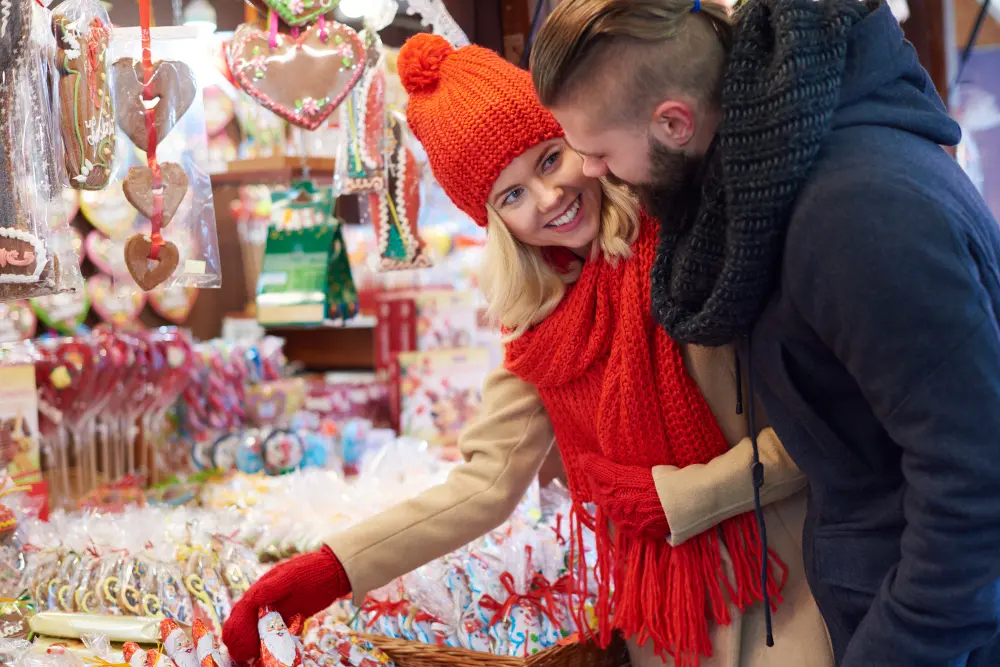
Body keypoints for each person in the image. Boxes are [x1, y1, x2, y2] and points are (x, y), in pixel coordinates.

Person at [222, 33, 833, 667]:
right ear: (494, 223)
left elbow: (825, 425)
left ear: (578, 139)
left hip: (787, 592)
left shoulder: (695, 245)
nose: (548, 200)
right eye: (510, 195)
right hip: (667, 630)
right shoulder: (544, 325)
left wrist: (677, 499)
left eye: (547, 159)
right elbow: (484, 484)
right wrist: (327, 572)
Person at [529, 1, 1000, 666]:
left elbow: (975, 483)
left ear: (673, 122)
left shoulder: (853, 216)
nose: (593, 173)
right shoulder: (769, 193)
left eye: (599, 151)